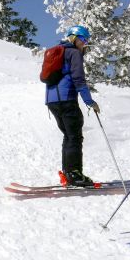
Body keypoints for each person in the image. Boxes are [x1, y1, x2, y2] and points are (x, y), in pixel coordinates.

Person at [44, 25, 101, 187]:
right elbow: (78, 79)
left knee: (68, 135)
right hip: (67, 99)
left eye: (86, 40)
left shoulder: (58, 51)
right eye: (83, 39)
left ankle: (68, 173)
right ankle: (74, 174)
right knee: (75, 136)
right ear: (74, 38)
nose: (85, 43)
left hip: (52, 101)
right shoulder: (74, 53)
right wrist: (90, 101)